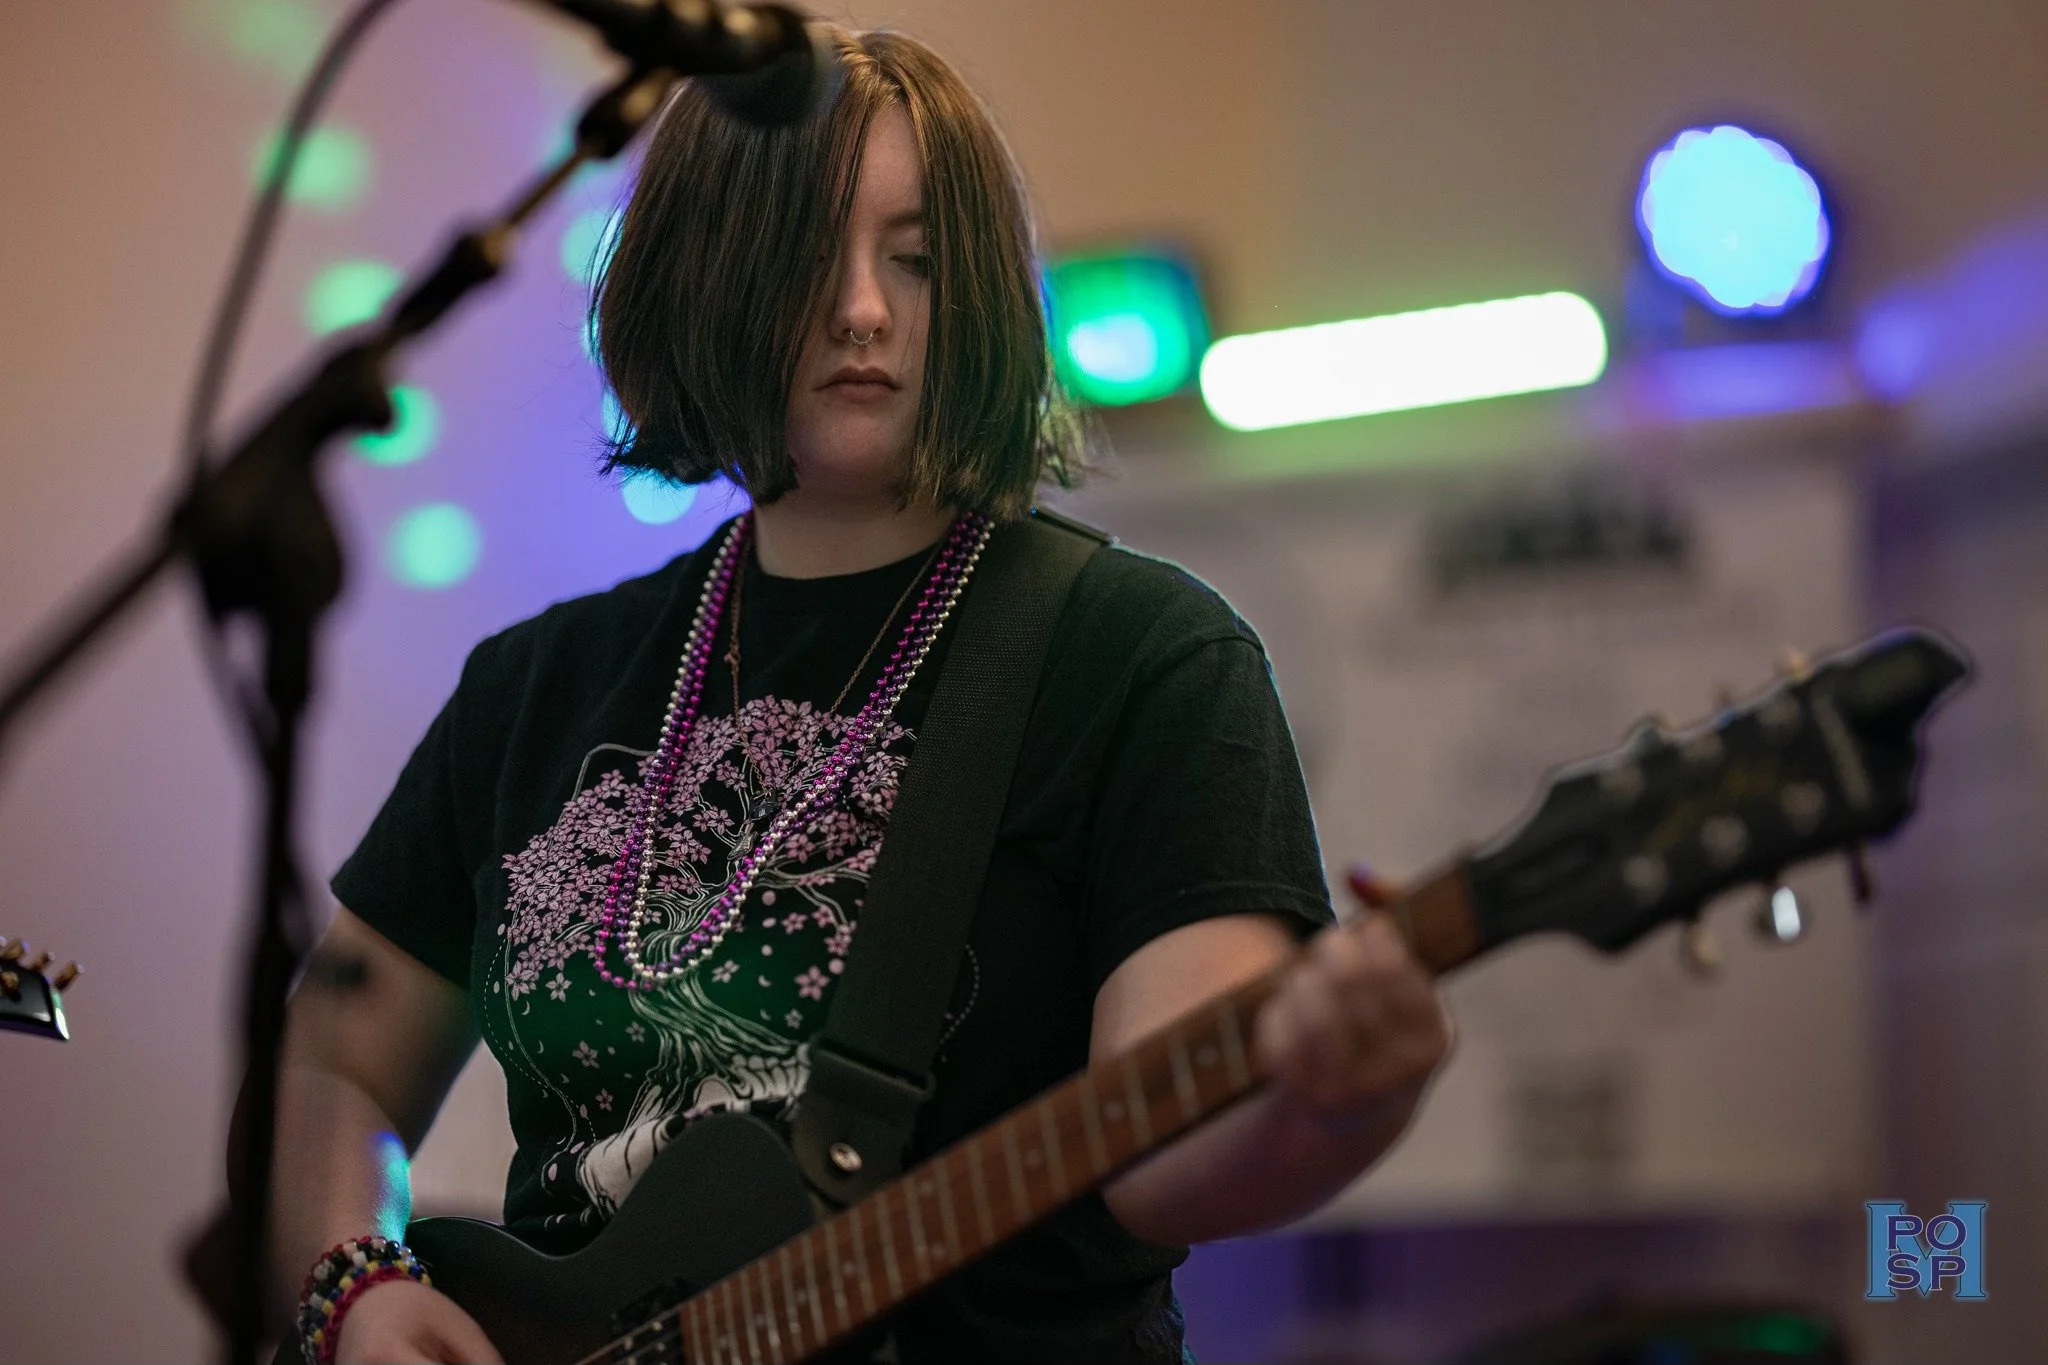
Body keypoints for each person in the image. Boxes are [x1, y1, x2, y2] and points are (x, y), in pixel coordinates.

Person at [269, 24, 1452, 1365]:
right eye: (808, 253)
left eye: (920, 260)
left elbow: (1174, 1140)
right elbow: (330, 1063)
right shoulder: (535, 686)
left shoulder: (1146, 657)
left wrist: (1340, 1103)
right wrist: (354, 1288)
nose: (866, 311)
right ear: (704, 273)